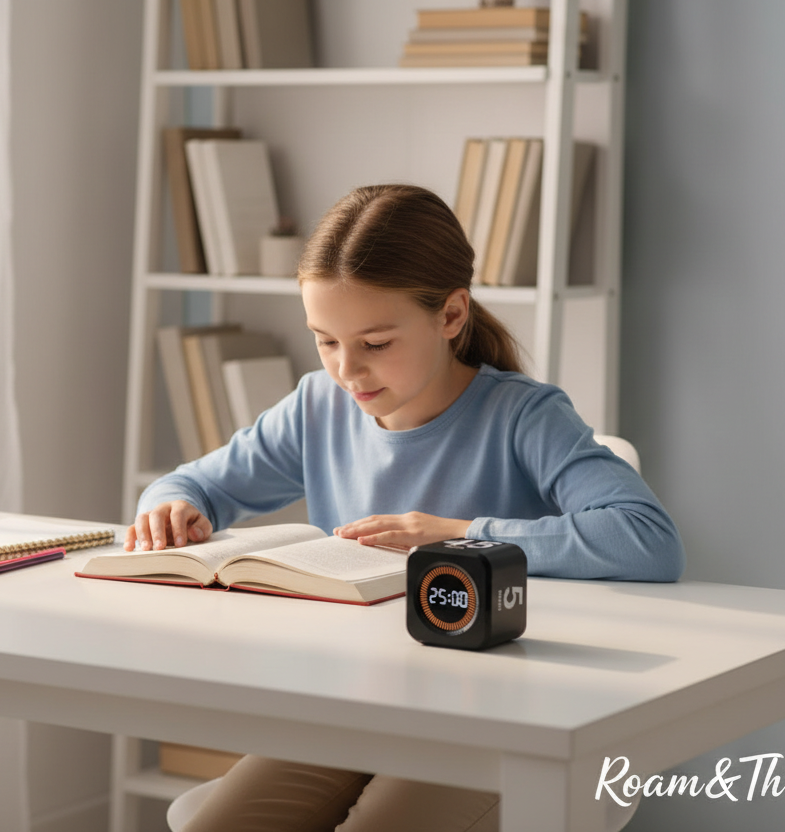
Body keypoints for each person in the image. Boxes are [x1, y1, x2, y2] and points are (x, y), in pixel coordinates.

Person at [125, 184, 684, 832]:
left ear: (450, 316)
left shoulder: (524, 417)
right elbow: (190, 485)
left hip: (505, 718)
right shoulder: (318, 408)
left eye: (376, 343)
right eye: (325, 341)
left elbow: (648, 540)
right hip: (360, 705)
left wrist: (460, 536)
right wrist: (169, 507)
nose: (346, 370)